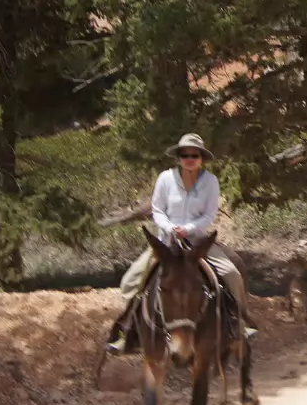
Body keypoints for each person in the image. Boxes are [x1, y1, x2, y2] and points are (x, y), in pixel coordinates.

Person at [107, 134, 255, 354]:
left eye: (193, 155)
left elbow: (209, 215)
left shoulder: (210, 182)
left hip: (197, 242)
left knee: (232, 274)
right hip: (166, 243)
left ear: (201, 158)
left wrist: (189, 229)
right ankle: (127, 331)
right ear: (179, 157)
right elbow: (157, 210)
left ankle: (239, 324)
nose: (189, 158)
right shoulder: (165, 179)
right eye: (184, 154)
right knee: (130, 281)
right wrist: (169, 228)